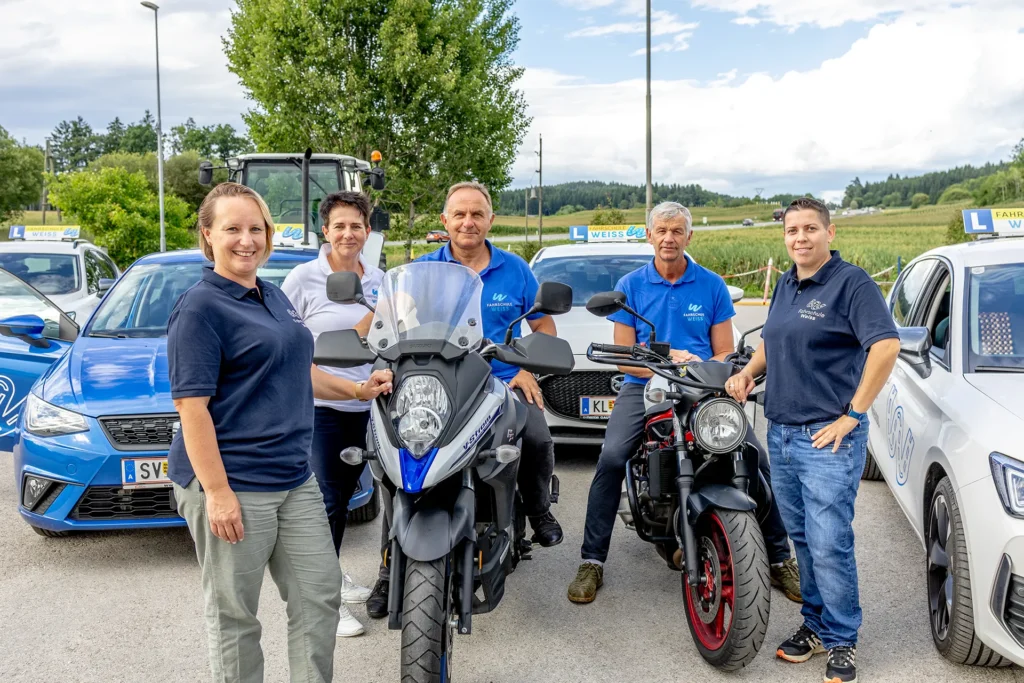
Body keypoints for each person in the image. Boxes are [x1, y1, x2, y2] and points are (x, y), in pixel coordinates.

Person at [168, 182, 393, 683]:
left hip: (293, 478)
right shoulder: (200, 308)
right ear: (208, 236)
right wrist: (219, 493)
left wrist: (355, 392)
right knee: (235, 616)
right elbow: (191, 407)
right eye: (232, 229)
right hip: (234, 482)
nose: (246, 240)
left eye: (256, 228)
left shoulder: (271, 295)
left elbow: (299, 367)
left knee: (319, 598)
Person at [567, 201, 801, 606]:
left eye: (677, 231)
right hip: (644, 386)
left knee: (755, 457)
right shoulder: (632, 285)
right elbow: (625, 357)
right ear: (649, 235)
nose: (669, 238)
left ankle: (780, 558)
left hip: (701, 388)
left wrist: (704, 367)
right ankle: (592, 561)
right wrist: (667, 359)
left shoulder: (710, 284)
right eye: (662, 231)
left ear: (689, 237)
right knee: (610, 458)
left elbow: (724, 351)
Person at [727, 197, 899, 683]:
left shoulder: (852, 284)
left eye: (809, 229)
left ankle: (843, 639)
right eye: (791, 231)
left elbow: (885, 346)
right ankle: (817, 624)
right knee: (802, 538)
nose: (799, 237)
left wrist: (854, 414)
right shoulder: (786, 281)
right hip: (780, 431)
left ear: (830, 232)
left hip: (827, 437)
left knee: (828, 543)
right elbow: (770, 341)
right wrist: (746, 374)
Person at [281, 190, 386, 638]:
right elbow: (293, 361)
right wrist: (353, 388)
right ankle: (323, 600)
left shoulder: (381, 278)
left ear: (367, 231)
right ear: (325, 230)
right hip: (328, 409)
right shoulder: (302, 279)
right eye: (339, 225)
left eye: (356, 225)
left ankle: (361, 577)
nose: (348, 233)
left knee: (401, 490)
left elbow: (395, 336)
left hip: (380, 406)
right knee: (330, 503)